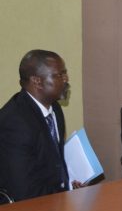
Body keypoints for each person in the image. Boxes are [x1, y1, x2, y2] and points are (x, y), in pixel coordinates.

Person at [0, 49, 82, 202]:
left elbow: (53, 161)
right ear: (37, 81)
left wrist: (70, 183)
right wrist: (65, 194)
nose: (66, 80)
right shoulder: (14, 123)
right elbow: (24, 190)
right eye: (60, 75)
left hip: (52, 201)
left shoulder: (54, 109)